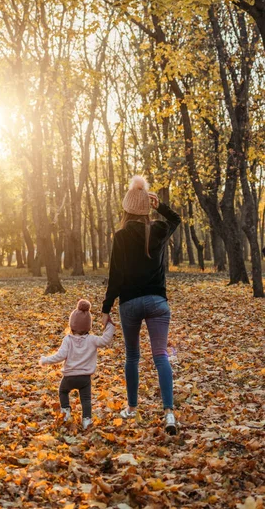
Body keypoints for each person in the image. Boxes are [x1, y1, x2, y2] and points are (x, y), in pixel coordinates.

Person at [101, 175, 181, 435]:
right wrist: (160, 206)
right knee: (161, 356)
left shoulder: (121, 235)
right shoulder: (157, 229)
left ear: (126, 208)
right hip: (158, 302)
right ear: (147, 208)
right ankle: (169, 413)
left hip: (130, 304)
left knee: (132, 357)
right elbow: (176, 220)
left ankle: (132, 408)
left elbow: (116, 275)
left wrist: (106, 309)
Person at [39, 299, 115, 429]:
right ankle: (86, 420)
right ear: (88, 326)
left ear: (72, 325)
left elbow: (60, 356)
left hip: (69, 377)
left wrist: (46, 360)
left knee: (63, 391)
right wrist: (109, 326)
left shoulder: (68, 339)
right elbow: (105, 340)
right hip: (85, 378)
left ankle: (66, 411)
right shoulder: (92, 340)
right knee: (86, 400)